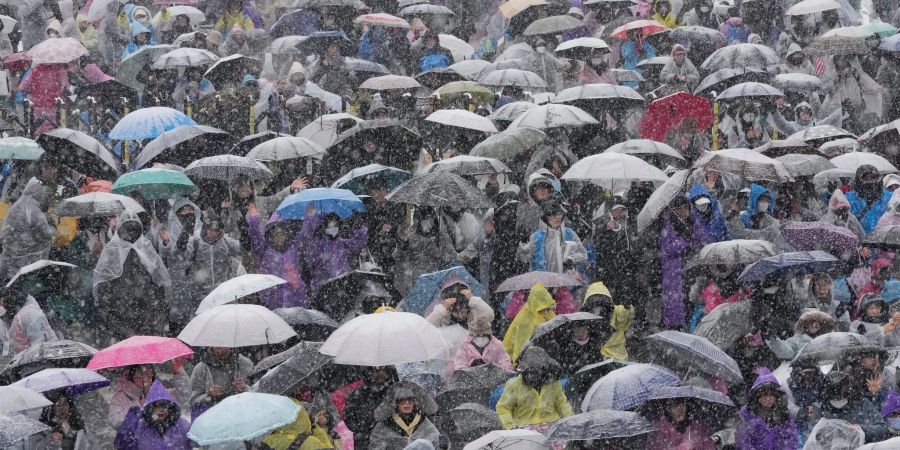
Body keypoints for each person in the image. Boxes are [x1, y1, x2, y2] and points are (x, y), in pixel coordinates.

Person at [93, 210, 171, 341]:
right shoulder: (112, 248)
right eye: (127, 229)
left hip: (147, 308)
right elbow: (102, 280)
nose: (131, 233)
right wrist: (110, 312)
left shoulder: (145, 246)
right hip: (120, 309)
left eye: (134, 229)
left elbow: (159, 276)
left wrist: (159, 305)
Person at [495, 346, 573, 430]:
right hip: (523, 429)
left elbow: (562, 405)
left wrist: (571, 422)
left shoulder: (553, 383)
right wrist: (511, 427)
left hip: (550, 427)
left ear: (544, 370)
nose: (532, 376)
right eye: (529, 372)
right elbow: (503, 408)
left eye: (536, 372)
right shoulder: (514, 385)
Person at [660, 196, 709, 329]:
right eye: (679, 209)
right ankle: (676, 326)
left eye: (685, 208)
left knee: (693, 298)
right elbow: (667, 248)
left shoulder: (695, 223)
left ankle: (691, 324)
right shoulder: (669, 227)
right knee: (678, 301)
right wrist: (684, 243)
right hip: (675, 270)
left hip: (694, 268)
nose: (683, 211)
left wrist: (694, 240)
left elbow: (704, 240)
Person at [301, 211, 367, 298]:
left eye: (336, 225)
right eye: (329, 226)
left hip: (344, 285)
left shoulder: (341, 243)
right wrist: (313, 221)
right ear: (324, 227)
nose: (333, 229)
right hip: (325, 288)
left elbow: (358, 244)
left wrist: (358, 229)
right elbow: (306, 239)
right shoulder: (317, 245)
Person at [810, 370, 887, 443]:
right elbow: (811, 435)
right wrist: (824, 431)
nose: (839, 403)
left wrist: (860, 429)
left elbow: (882, 429)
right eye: (834, 400)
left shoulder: (863, 404)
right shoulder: (820, 408)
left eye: (842, 399)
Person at [0, 178, 55, 279]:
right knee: (17, 283)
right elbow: (47, 234)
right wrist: (53, 228)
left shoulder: (17, 205)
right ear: (40, 195)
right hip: (22, 257)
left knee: (6, 281)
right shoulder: (33, 210)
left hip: (8, 252)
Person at [114, 380, 191, 450]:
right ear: (150, 408)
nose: (161, 409)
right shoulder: (141, 427)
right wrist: (134, 414)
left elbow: (197, 442)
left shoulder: (182, 425)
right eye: (156, 406)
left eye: (164, 405)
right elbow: (122, 444)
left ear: (170, 407)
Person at [517, 201, 588, 275]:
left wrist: (572, 258)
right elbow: (524, 258)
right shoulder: (536, 237)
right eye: (553, 214)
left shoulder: (569, 233)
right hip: (542, 282)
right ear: (546, 217)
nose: (557, 217)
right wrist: (523, 241)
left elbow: (583, 254)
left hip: (566, 282)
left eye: (559, 214)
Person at [735, 369, 798, 449]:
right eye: (764, 395)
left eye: (772, 395)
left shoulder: (783, 412)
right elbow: (742, 440)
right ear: (757, 397)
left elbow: (791, 438)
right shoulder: (746, 413)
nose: (769, 399)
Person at [368, 381, 441, 450]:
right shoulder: (383, 427)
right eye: (402, 400)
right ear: (396, 404)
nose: (407, 403)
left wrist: (443, 444)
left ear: (414, 402)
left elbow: (436, 444)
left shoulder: (425, 423)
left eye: (410, 399)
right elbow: (374, 447)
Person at [343, 366, 398, 450]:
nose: (380, 373)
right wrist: (366, 424)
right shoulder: (358, 394)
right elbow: (349, 418)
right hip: (364, 442)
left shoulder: (396, 392)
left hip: (391, 441)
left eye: (383, 369)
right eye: (376, 370)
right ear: (369, 372)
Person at [188, 347, 253, 417]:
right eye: (217, 348)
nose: (220, 351)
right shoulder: (201, 368)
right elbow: (192, 400)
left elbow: (257, 393)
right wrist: (209, 395)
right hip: (212, 419)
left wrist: (244, 388)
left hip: (242, 415)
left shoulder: (245, 364)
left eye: (224, 347)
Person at [503, 283, 556, 363]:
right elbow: (519, 346)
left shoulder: (547, 312)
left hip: (542, 357)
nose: (546, 311)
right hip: (526, 361)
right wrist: (518, 364)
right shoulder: (524, 320)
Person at [445, 316, 511, 375]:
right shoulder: (464, 346)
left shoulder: (497, 344)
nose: (481, 337)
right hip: (471, 382)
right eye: (478, 335)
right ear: (473, 334)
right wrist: (471, 372)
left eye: (484, 335)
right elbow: (460, 366)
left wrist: (497, 373)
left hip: (494, 380)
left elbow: (505, 362)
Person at [646, 398, 717, 449]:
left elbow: (708, 445)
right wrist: (684, 447)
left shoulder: (697, 424)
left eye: (682, 405)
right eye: (674, 406)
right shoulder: (660, 428)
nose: (680, 409)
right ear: (668, 410)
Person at [765, 310, 836, 360]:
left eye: (818, 323)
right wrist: (774, 340)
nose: (815, 325)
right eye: (812, 322)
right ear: (806, 324)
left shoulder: (826, 340)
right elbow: (787, 352)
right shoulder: (797, 339)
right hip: (803, 371)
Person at [425, 279, 494, 328]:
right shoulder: (443, 316)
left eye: (463, 310)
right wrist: (443, 309)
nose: (462, 313)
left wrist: (472, 299)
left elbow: (490, 316)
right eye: (458, 311)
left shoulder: (473, 313)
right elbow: (426, 327)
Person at [845, 165, 892, 234]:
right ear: (858, 180)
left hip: (884, 240)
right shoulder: (849, 198)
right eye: (865, 178)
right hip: (859, 240)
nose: (870, 181)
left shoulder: (889, 197)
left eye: (873, 177)